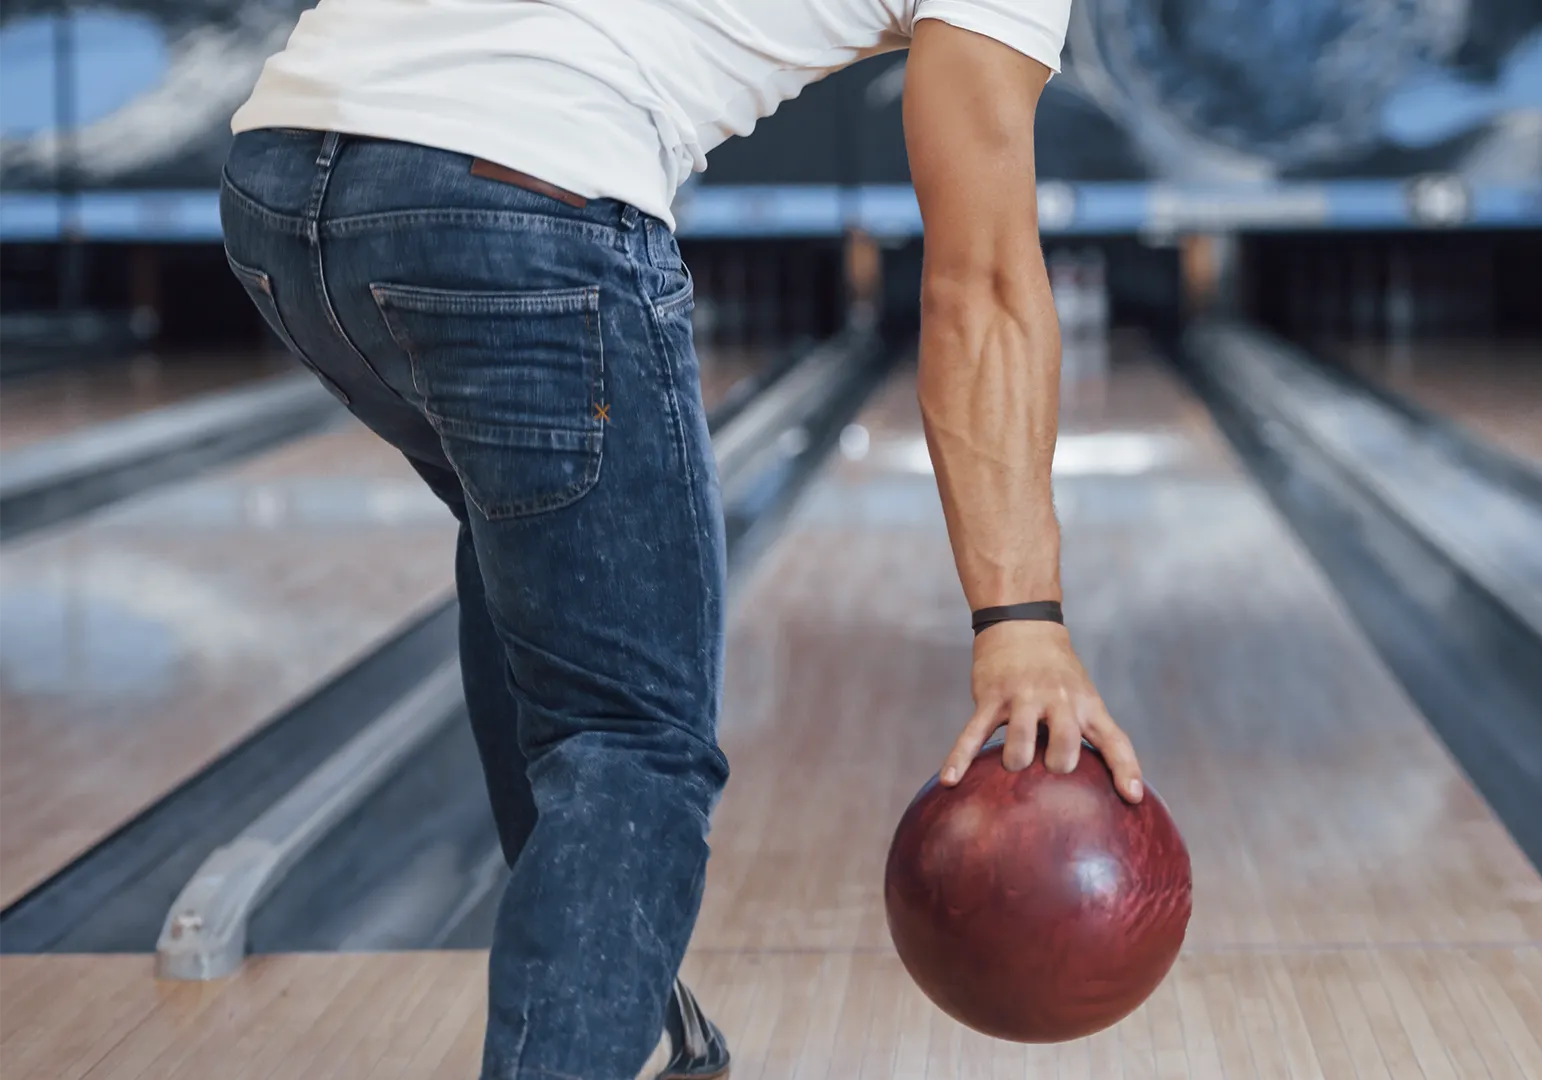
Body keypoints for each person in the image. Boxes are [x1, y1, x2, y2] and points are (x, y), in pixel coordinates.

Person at [219, 0, 1144, 1075]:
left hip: (281, 185)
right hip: (526, 202)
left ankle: (635, 1028)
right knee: (629, 743)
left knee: (537, 577)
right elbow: (980, 283)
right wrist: (1021, 622)